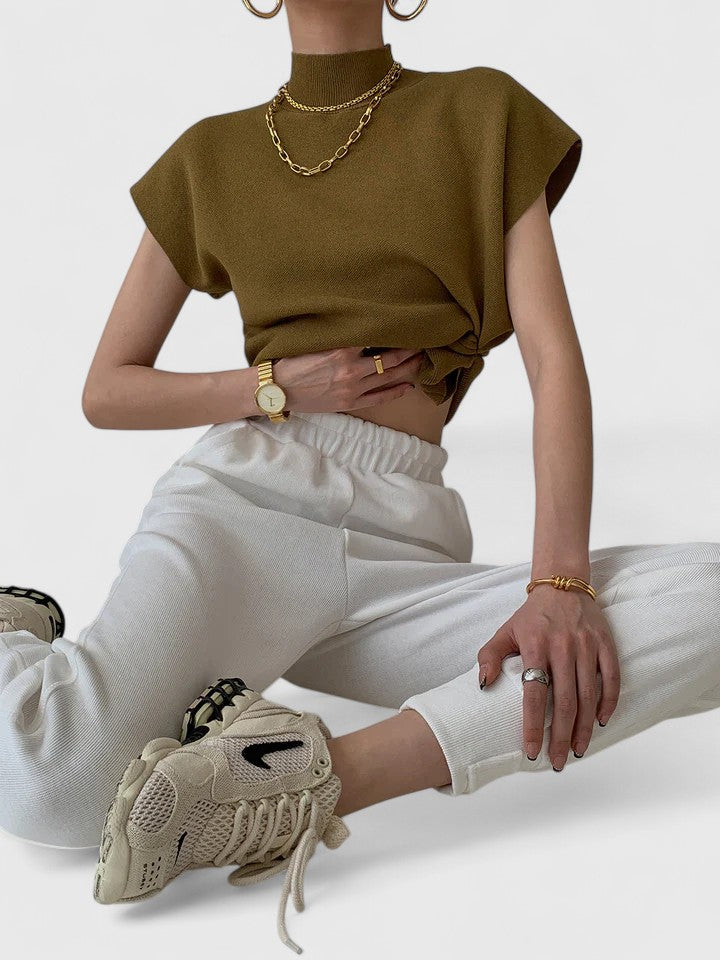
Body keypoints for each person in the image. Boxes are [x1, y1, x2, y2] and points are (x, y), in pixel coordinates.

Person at [2, 0, 719, 954]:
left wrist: (559, 582)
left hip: (407, 539)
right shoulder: (211, 155)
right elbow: (107, 389)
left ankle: (306, 777)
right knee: (54, 785)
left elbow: (554, 362)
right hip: (246, 507)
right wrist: (273, 386)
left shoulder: (482, 113)